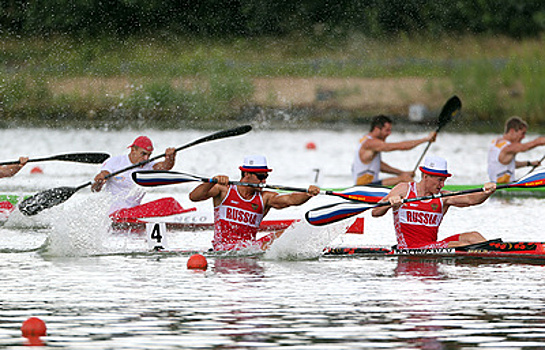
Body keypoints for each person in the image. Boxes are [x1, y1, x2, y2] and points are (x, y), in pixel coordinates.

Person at [189, 155, 320, 251]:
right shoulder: (223, 190)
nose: (264, 181)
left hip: (249, 249)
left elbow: (290, 200)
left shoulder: (265, 198)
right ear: (247, 174)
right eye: (260, 177)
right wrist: (211, 181)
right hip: (223, 249)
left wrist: (307, 194)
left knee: (288, 232)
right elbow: (194, 197)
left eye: (266, 177)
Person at [372, 155, 496, 249]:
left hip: (433, 246)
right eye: (439, 180)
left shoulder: (443, 197)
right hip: (410, 249)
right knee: (461, 245)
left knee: (473, 236)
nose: (442, 185)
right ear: (426, 176)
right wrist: (389, 203)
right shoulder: (404, 189)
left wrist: (487, 192)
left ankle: (495, 255)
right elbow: (375, 212)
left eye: (444, 181)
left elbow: (470, 199)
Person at [91, 136, 177, 215]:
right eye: (143, 154)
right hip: (114, 213)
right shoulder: (115, 162)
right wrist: (100, 181)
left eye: (149, 155)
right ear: (133, 150)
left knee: (169, 202)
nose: (146, 158)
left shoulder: (149, 165)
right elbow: (95, 188)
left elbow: (166, 166)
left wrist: (170, 157)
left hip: (133, 213)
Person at [352, 115, 437, 186]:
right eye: (387, 130)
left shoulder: (365, 139)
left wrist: (402, 173)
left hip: (369, 185)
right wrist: (426, 139)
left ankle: (420, 192)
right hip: (364, 187)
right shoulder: (371, 143)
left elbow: (380, 166)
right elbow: (401, 146)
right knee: (404, 179)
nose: (389, 133)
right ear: (377, 129)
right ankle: (425, 196)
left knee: (404, 177)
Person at [488, 116, 545, 183]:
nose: (523, 137)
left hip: (496, 184)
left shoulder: (496, 142)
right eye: (522, 133)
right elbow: (531, 144)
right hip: (504, 187)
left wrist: (529, 163)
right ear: (512, 131)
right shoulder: (508, 147)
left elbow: (507, 164)